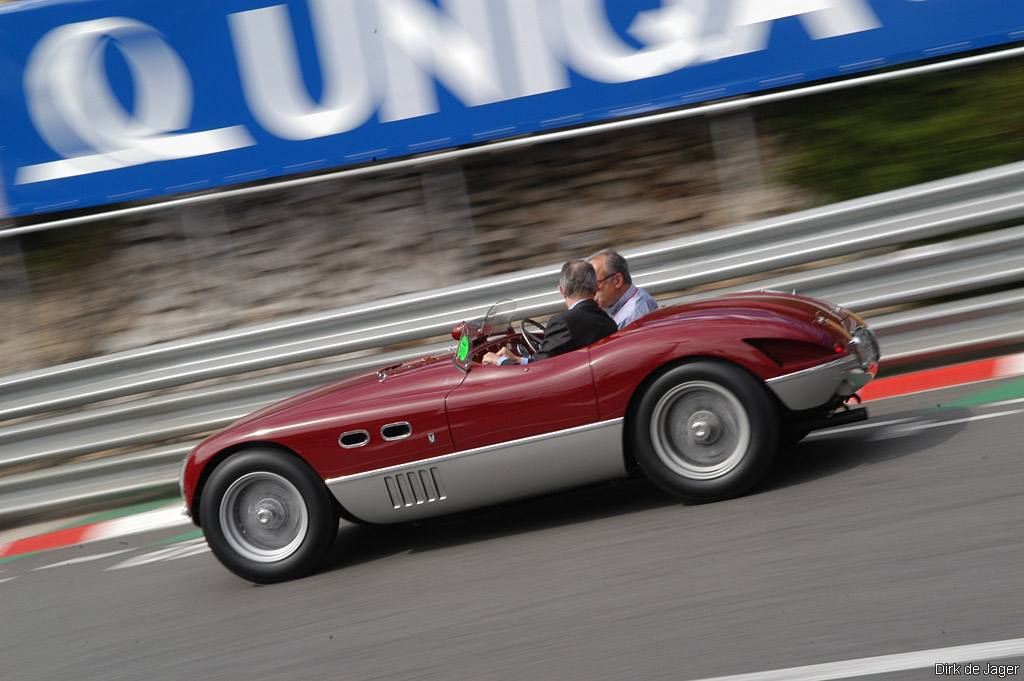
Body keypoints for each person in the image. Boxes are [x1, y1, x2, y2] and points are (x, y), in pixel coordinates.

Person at [482, 259, 616, 365]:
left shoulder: (563, 323)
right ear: (596, 287)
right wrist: (518, 360)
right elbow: (549, 362)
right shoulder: (609, 321)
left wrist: (499, 361)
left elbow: (540, 370)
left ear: (562, 290)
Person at [587, 248, 658, 329]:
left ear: (617, 280)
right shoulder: (630, 300)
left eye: (595, 285)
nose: (590, 292)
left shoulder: (633, 316)